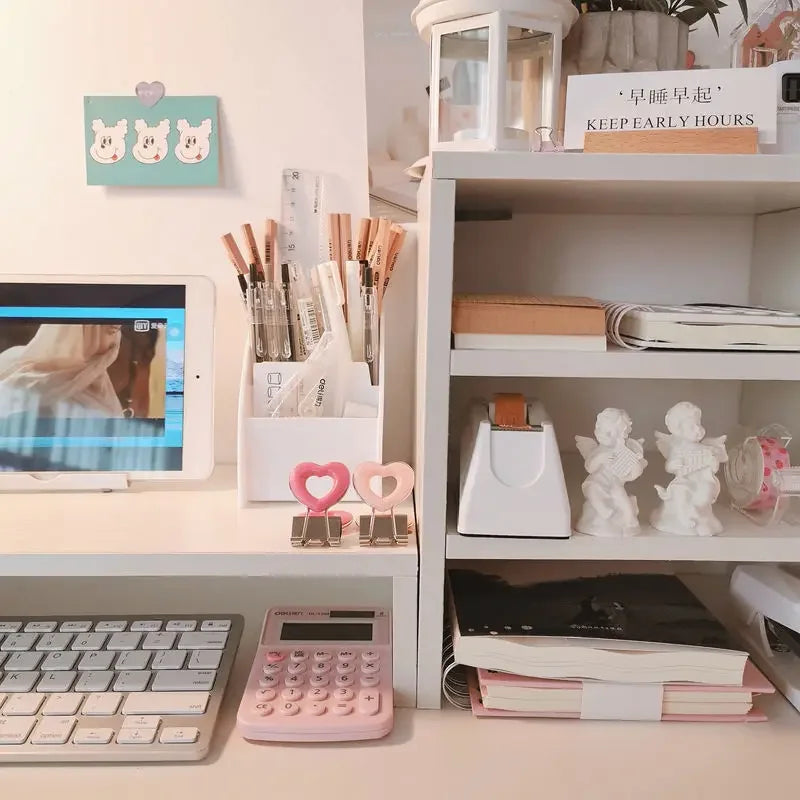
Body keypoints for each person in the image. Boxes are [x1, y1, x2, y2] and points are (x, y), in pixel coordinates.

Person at [0, 323, 124, 419]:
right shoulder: (90, 411)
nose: (115, 342)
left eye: (117, 329)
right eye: (112, 329)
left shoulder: (99, 386)